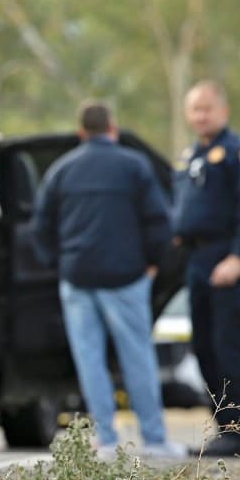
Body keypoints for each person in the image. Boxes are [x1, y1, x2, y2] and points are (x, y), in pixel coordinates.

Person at [32, 101, 185, 459]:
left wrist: (60, 264)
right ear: (112, 129)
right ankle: (155, 441)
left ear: (81, 132)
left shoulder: (61, 170)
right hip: (127, 278)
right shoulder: (134, 166)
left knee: (90, 360)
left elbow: (40, 228)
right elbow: (160, 221)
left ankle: (106, 440)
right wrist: (153, 263)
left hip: (78, 279)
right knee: (137, 357)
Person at [174, 80, 240, 457]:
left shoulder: (239, 153)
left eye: (207, 108)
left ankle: (238, 432)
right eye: (195, 109)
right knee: (203, 347)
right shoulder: (190, 156)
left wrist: (239, 257)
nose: (201, 116)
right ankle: (223, 426)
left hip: (227, 257)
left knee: (228, 346)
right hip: (196, 260)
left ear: (223, 111)